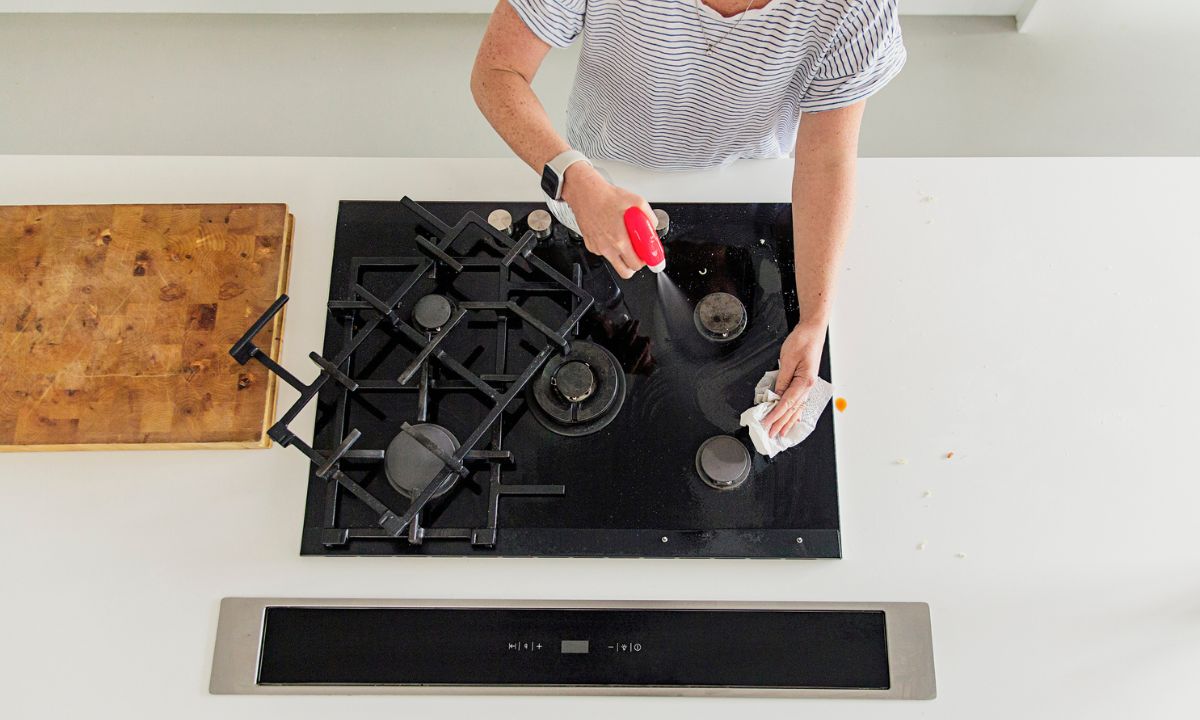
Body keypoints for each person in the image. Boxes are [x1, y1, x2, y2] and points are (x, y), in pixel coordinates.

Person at [471, 0, 905, 439]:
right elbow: (497, 73)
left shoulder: (854, 8)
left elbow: (827, 162)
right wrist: (575, 179)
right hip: (601, 173)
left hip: (748, 185)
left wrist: (813, 321)